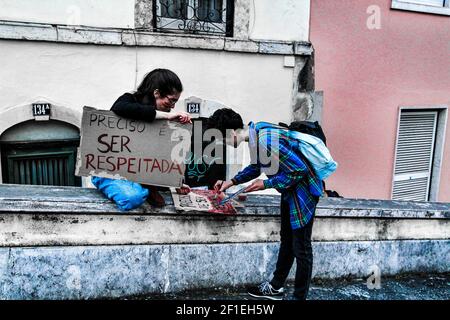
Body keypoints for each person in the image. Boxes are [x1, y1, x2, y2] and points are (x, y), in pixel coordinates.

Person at [209, 108, 323, 300]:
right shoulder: (258, 131)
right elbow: (257, 166)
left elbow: (299, 170)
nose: (226, 145)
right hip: (289, 191)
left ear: (232, 133)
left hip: (303, 194)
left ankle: (299, 297)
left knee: (302, 247)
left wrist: (266, 184)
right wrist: (232, 182)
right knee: (287, 240)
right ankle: (276, 287)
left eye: (224, 140)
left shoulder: (264, 140)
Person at [92, 69, 191, 210]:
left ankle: (145, 184)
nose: (173, 106)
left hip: (137, 172)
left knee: (140, 195)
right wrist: (166, 115)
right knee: (132, 197)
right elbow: (119, 108)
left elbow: (161, 156)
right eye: (171, 100)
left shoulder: (162, 120)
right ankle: (143, 186)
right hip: (109, 171)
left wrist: (174, 182)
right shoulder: (129, 99)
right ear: (156, 93)